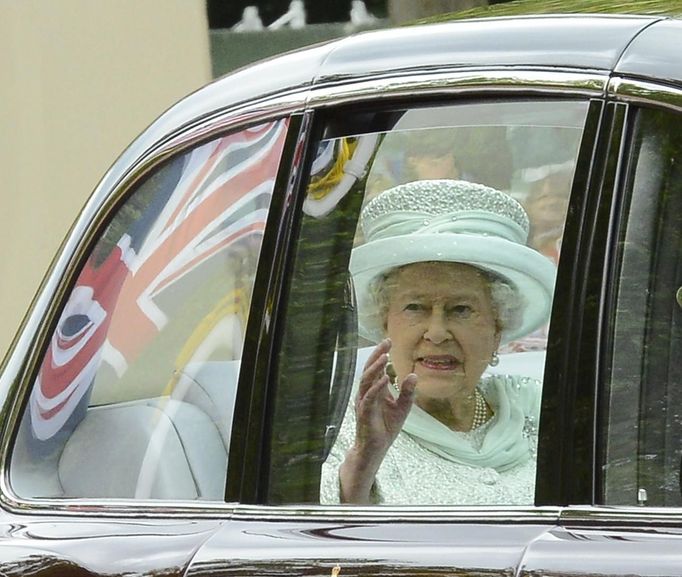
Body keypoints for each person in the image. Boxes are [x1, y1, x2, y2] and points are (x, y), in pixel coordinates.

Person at [320, 179, 556, 505]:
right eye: (415, 308)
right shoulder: (338, 432)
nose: (437, 332)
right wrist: (362, 466)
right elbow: (317, 545)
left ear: (497, 327)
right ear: (384, 322)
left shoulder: (539, 406)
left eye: (461, 309)